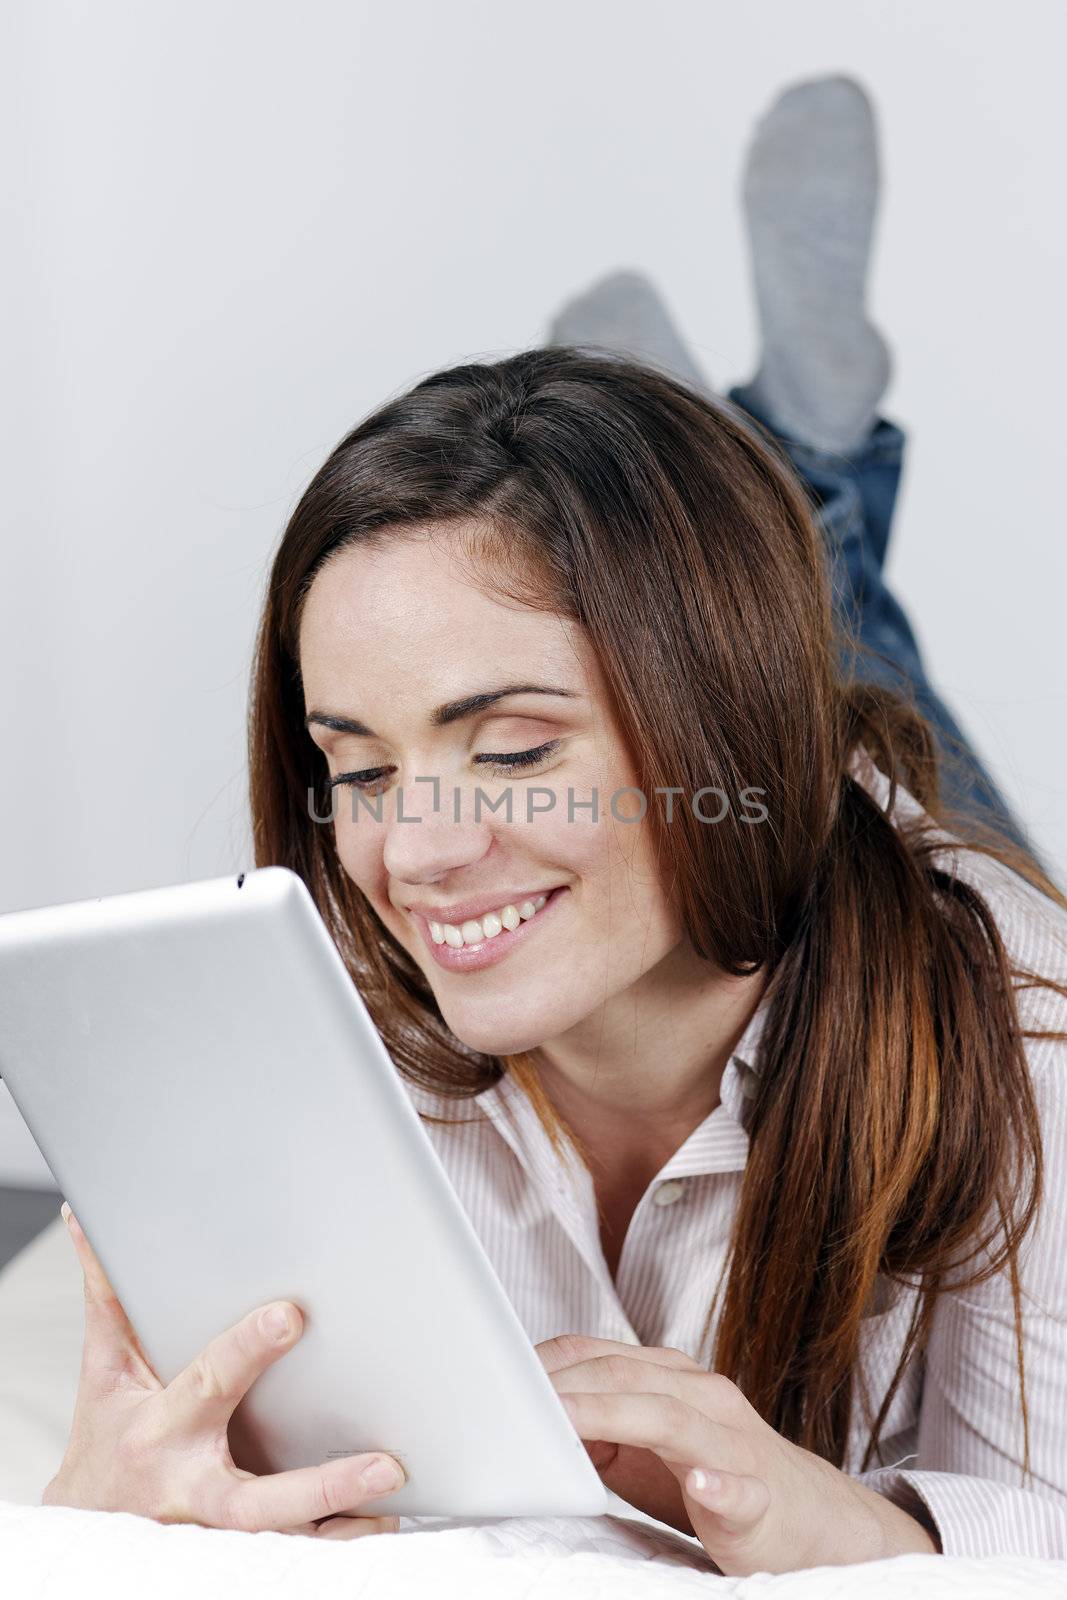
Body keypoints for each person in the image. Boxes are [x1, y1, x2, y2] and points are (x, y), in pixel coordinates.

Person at [47, 78, 1067, 1570]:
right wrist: (106, 1520)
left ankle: (798, 468)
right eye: (363, 769)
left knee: (860, 707)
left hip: (863, 857)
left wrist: (841, 1523)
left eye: (511, 751)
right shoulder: (311, 1033)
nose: (418, 852)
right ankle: (775, 457)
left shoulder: (1016, 1028)